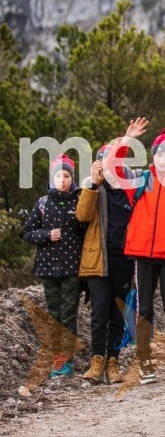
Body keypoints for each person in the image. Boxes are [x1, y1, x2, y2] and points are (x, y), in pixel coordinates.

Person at [107, 120, 165, 384]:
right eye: (158, 153)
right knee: (145, 310)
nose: (162, 158)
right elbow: (112, 169)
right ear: (153, 155)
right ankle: (145, 362)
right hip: (143, 256)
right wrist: (127, 138)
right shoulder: (141, 179)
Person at [23, 155, 86, 379]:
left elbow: (87, 231)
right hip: (48, 268)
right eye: (58, 175)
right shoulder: (42, 203)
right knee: (54, 315)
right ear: (52, 178)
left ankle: (65, 362)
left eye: (66, 176)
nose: (62, 180)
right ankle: (56, 357)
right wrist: (47, 235)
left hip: (72, 269)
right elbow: (27, 232)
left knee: (69, 315)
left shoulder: (79, 201)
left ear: (72, 178)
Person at [76, 146, 135, 384]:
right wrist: (92, 183)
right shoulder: (93, 189)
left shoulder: (129, 189)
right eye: (105, 162)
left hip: (123, 258)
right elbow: (82, 216)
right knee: (99, 312)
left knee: (117, 312)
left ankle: (113, 360)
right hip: (97, 260)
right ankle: (97, 359)